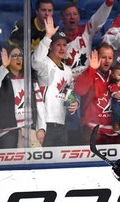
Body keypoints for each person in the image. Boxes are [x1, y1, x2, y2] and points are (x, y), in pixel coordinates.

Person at [74, 42, 120, 144]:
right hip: (93, 131)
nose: (107, 61)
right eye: (103, 57)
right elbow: (80, 90)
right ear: (97, 57)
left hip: (117, 133)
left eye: (110, 58)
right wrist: (91, 69)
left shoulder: (119, 76)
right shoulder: (89, 73)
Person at [32, 16, 78, 147]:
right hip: (44, 124)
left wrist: (75, 102)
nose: (62, 48)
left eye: (64, 45)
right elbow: (36, 60)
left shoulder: (68, 71)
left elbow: (68, 93)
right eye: (58, 44)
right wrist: (47, 36)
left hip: (62, 124)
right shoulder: (44, 63)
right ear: (51, 46)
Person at [0, 44, 46, 148]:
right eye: (14, 56)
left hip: (30, 130)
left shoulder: (31, 80)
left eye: (20, 55)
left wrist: (41, 128)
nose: (18, 58)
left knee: (35, 162)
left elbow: (40, 105)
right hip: (7, 132)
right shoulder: (1, 78)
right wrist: (3, 67)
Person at [60, 0, 114, 77]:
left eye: (75, 14)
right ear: (62, 18)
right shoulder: (58, 38)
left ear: (79, 17)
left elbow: (98, 19)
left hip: (88, 78)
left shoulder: (86, 30)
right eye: (68, 14)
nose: (72, 17)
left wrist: (108, 3)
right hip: (68, 80)